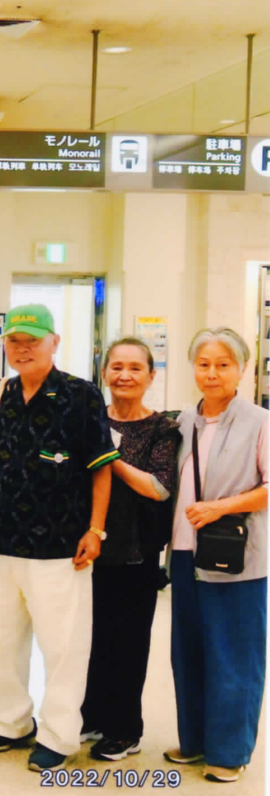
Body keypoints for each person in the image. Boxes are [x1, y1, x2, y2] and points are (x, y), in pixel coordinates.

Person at [0, 304, 118, 773]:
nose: (23, 347)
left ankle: (58, 735)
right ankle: (9, 721)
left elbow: (101, 469)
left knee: (63, 646)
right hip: (2, 543)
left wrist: (96, 529)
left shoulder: (80, 395)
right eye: (15, 340)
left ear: (54, 342)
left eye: (33, 339)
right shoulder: (0, 394)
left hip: (61, 546)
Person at [165, 328, 267, 785]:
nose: (212, 373)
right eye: (204, 363)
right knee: (187, 650)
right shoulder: (182, 421)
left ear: (242, 370)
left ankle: (229, 751)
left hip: (236, 556)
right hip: (184, 554)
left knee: (234, 655)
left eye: (223, 364)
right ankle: (195, 742)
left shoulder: (260, 422)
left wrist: (219, 507)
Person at [79, 338, 180, 762]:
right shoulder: (89, 419)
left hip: (136, 554)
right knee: (88, 640)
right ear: (104, 373)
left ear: (151, 376)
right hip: (85, 550)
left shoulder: (162, 428)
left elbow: (157, 488)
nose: (124, 375)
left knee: (127, 643)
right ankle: (93, 717)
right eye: (116, 367)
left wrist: (107, 455)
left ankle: (125, 730)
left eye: (135, 368)